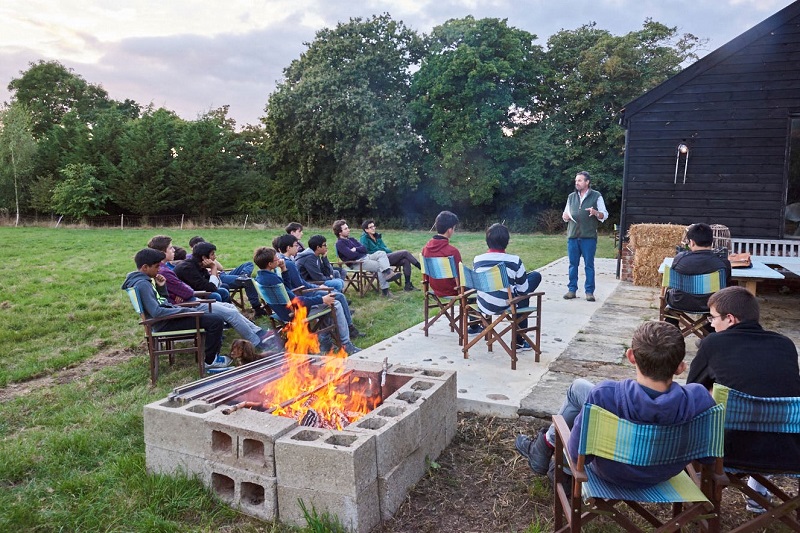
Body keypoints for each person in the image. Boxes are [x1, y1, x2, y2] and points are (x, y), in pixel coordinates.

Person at [516, 321, 715, 489]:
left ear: (631, 357)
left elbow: (577, 456)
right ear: (681, 368)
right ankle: (542, 451)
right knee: (580, 392)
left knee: (578, 389)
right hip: (661, 475)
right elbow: (708, 457)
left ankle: (546, 452)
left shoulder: (605, 396)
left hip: (611, 473)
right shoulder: (700, 399)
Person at [686, 286, 800, 512]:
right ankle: (758, 494)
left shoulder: (713, 344)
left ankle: (698, 496)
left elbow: (692, 389)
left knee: (704, 399)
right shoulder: (785, 344)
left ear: (730, 318)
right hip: (787, 451)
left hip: (728, 451)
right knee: (768, 407)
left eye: (713, 318)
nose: (711, 324)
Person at [147, 235, 276, 352]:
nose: (174, 250)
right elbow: (189, 290)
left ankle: (259, 332)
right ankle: (256, 341)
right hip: (187, 306)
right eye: (170, 248)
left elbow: (183, 289)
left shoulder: (165, 270)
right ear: (162, 252)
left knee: (230, 307)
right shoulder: (165, 271)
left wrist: (179, 293)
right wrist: (180, 294)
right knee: (229, 310)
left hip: (188, 301)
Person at [122, 248, 231, 369]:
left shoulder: (142, 281)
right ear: (145, 267)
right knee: (215, 321)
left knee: (212, 318)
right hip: (164, 323)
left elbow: (161, 302)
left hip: (164, 319)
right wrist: (186, 311)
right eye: (157, 266)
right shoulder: (143, 284)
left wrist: (162, 288)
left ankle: (212, 357)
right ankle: (211, 362)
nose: (159, 269)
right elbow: (156, 312)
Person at [253, 246, 361, 355]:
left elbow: (288, 290)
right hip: (294, 313)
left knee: (327, 304)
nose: (279, 259)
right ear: (270, 264)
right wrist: (322, 299)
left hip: (280, 312)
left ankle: (325, 341)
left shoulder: (260, 278)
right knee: (335, 303)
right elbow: (297, 300)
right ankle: (346, 345)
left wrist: (284, 270)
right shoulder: (273, 279)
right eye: (276, 259)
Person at [275, 234, 364, 339]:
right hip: (302, 295)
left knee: (336, 291)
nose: (298, 247)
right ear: (288, 248)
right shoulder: (288, 264)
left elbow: (300, 282)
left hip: (298, 293)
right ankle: (350, 328)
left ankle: (338, 325)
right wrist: (318, 287)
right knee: (339, 296)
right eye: (295, 245)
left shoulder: (281, 261)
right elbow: (300, 284)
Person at [473, 223, 543, 351]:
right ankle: (518, 341)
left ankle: (519, 341)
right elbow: (523, 290)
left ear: (487, 241)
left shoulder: (478, 260)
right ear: (507, 242)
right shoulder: (514, 261)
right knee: (531, 283)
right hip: (506, 304)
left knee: (517, 292)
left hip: (483, 304)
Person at [186, 236, 266, 316]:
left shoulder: (207, 256)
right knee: (248, 281)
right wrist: (212, 268)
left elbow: (221, 268)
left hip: (223, 274)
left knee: (249, 264)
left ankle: (243, 275)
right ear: (192, 248)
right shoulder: (191, 260)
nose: (215, 256)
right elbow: (210, 283)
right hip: (219, 277)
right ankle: (257, 307)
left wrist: (212, 260)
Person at [665, 223, 731, 316]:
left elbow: (672, 282)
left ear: (691, 242)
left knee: (672, 290)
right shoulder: (723, 263)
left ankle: (672, 322)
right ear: (711, 242)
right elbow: (726, 287)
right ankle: (709, 327)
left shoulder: (679, 258)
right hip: (711, 305)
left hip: (679, 302)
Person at [562, 171, 608, 302]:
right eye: (576, 181)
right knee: (572, 264)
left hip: (588, 237)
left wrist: (595, 213)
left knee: (589, 265)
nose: (577, 183)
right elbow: (566, 214)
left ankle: (589, 292)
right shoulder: (571, 197)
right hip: (572, 236)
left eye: (580, 180)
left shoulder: (596, 196)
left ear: (587, 182)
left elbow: (604, 215)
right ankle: (572, 290)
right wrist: (565, 217)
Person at [333, 219, 401, 298]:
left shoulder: (351, 239)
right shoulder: (340, 243)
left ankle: (388, 273)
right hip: (357, 263)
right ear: (340, 232)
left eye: (347, 227)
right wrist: (358, 250)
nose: (349, 230)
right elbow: (351, 256)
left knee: (381, 253)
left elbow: (364, 249)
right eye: (346, 229)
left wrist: (356, 249)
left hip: (366, 257)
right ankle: (385, 291)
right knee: (380, 266)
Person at [359, 219, 421, 291]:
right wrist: (381, 251)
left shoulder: (377, 236)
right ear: (366, 230)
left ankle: (408, 285)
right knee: (405, 252)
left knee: (405, 260)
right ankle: (421, 267)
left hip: (386, 257)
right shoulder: (364, 238)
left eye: (374, 226)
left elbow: (385, 248)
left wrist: (385, 251)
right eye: (371, 227)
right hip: (377, 260)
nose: (373, 228)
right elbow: (365, 252)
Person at [421, 211, 462, 297]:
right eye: (454, 228)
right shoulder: (453, 252)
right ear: (450, 230)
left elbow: (426, 277)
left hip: (435, 289)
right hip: (453, 290)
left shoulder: (425, 249)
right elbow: (460, 276)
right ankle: (467, 309)